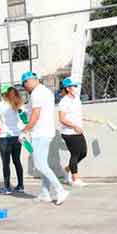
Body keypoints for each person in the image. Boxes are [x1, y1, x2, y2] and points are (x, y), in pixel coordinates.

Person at [19, 72, 69, 205]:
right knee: (43, 163)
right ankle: (45, 193)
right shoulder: (44, 91)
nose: (25, 88)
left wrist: (25, 130)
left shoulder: (36, 93)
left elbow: (35, 114)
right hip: (46, 132)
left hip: (40, 133)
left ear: (29, 81)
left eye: (24, 85)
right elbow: (30, 111)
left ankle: (60, 190)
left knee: (40, 165)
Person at [0, 85, 26, 194]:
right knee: (17, 161)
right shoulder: (19, 104)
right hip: (17, 137)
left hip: (5, 137)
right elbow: (25, 119)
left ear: (4, 94)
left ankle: (7, 188)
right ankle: (20, 186)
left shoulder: (2, 105)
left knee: (6, 163)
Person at [57, 77, 88, 187]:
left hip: (78, 130)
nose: (76, 88)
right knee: (75, 154)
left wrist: (84, 119)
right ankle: (75, 179)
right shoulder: (64, 102)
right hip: (69, 133)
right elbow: (62, 119)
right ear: (68, 88)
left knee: (83, 153)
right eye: (74, 86)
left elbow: (75, 115)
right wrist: (75, 126)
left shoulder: (76, 99)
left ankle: (67, 169)